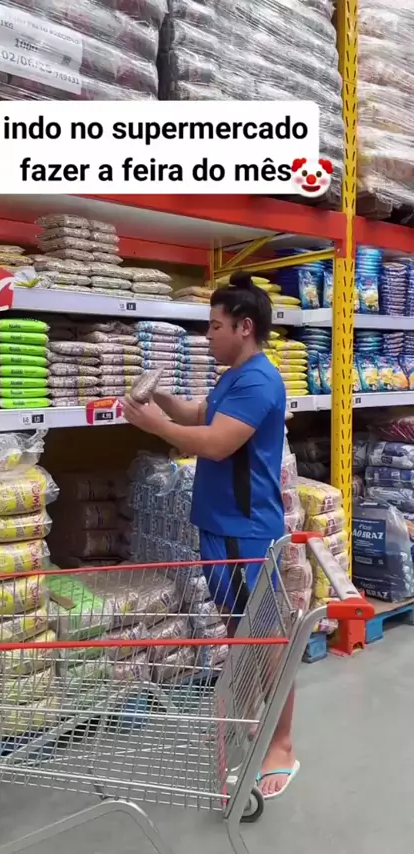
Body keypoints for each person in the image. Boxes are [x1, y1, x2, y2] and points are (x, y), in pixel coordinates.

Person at [122, 270, 298, 800]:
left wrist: (155, 427)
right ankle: (249, 715)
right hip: (220, 529)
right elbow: (201, 413)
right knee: (240, 630)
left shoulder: (260, 381)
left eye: (215, 326)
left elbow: (217, 443)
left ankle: (283, 744)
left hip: (246, 532)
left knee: (266, 636)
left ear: (244, 327)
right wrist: (163, 397)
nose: (208, 335)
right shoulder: (232, 377)